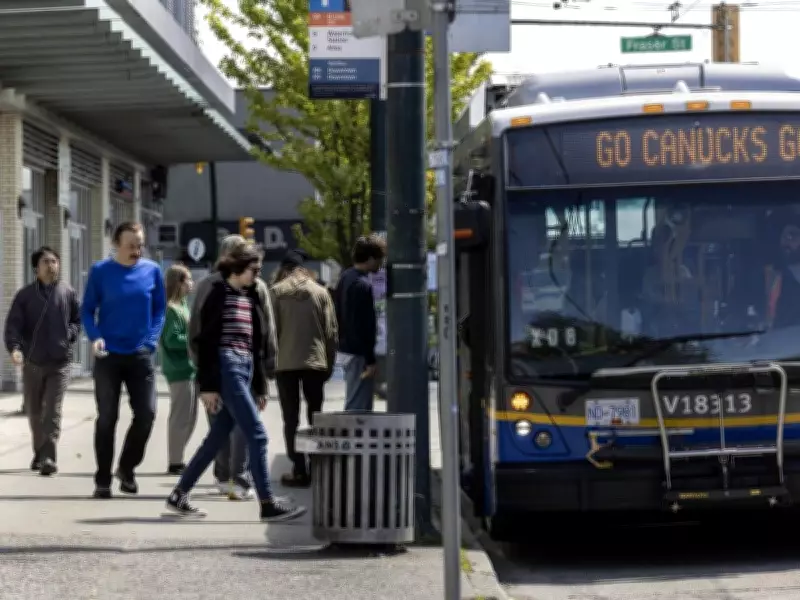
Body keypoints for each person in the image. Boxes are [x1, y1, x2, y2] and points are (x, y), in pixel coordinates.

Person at [166, 244, 305, 521]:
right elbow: (203, 341)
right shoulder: (217, 293)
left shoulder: (252, 295)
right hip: (226, 365)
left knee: (217, 436)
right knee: (257, 434)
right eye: (254, 269)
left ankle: (179, 494)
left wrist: (261, 385)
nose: (258, 275)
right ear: (238, 268)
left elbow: (258, 343)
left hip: (245, 366)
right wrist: (207, 385)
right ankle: (267, 503)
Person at [81, 222, 167, 499]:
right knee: (107, 417)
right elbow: (87, 310)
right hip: (108, 355)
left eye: (140, 244)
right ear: (116, 244)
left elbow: (159, 310)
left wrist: (151, 341)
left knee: (147, 414)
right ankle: (103, 478)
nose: (136, 250)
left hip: (140, 354)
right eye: (131, 245)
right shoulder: (100, 272)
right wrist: (94, 336)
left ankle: (127, 468)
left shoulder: (152, 271)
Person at [189, 234, 277, 500]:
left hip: (217, 367)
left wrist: (201, 370)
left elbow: (195, 330)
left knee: (220, 423)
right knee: (244, 426)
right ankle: (239, 479)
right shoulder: (255, 287)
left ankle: (223, 476)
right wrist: (267, 370)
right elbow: (267, 331)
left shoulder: (207, 285)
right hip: (239, 365)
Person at [3, 246, 80, 476]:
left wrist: (70, 334)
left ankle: (48, 457)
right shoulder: (25, 296)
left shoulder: (67, 293)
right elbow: (13, 325)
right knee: (35, 412)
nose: (51, 266)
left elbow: (77, 319)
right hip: (33, 364)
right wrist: (15, 348)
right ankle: (39, 451)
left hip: (60, 362)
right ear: (36, 268)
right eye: (46, 262)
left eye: (54, 261)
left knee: (52, 411)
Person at [272, 249, 337, 488]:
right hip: (314, 362)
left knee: (291, 419)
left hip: (285, 364)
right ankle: (317, 465)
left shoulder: (276, 293)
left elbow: (271, 333)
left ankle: (299, 469)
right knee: (314, 416)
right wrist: (328, 364)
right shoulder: (320, 292)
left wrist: (270, 363)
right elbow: (331, 333)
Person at [335, 234, 386, 411]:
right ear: (371, 258)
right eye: (379, 259)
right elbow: (364, 326)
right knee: (359, 405)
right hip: (358, 354)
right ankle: (352, 438)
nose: (380, 265)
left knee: (354, 399)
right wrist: (370, 360)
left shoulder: (345, 278)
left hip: (346, 348)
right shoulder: (362, 285)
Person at [160, 264, 196, 475]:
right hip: (178, 368)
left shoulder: (183, 306)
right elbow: (172, 340)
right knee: (180, 416)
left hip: (189, 368)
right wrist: (193, 340)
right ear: (178, 283)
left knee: (189, 418)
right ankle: (175, 461)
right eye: (188, 280)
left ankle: (179, 456)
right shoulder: (171, 309)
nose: (191, 284)